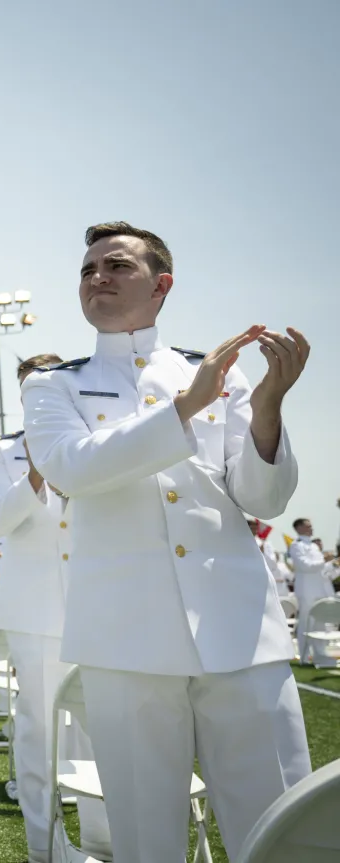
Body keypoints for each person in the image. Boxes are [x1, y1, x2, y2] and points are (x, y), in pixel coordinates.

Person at [21, 221, 311, 863]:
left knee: (277, 828)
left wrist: (266, 409)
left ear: (162, 284)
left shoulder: (222, 375)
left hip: (240, 631)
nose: (98, 276)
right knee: (147, 838)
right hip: (126, 639)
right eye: (88, 269)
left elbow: (262, 500)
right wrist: (183, 409)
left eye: (117, 265)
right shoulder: (53, 385)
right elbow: (72, 469)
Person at [0, 354, 112, 863]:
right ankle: (47, 848)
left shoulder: (97, 439)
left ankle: (104, 842)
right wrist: (34, 479)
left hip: (97, 601)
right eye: (28, 386)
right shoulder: (1, 452)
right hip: (33, 610)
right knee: (40, 730)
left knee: (105, 727)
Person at [288, 518, 338, 657]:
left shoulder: (314, 546)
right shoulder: (296, 545)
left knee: (320, 622)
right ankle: (303, 656)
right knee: (306, 622)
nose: (311, 529)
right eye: (308, 526)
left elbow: (321, 570)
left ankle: (320, 654)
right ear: (298, 528)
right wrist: (324, 560)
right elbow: (305, 566)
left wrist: (333, 564)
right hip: (306, 590)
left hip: (319, 589)